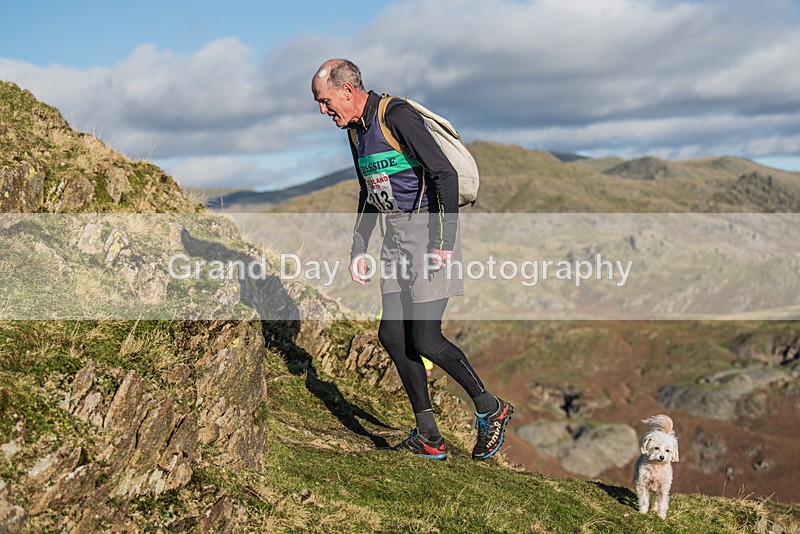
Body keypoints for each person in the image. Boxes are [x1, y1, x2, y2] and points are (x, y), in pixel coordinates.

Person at [311, 58, 512, 461]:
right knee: (391, 334)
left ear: (347, 91)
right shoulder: (354, 132)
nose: (323, 110)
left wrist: (445, 240)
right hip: (393, 238)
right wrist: (358, 249)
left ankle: (492, 407)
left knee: (425, 338)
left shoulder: (396, 116)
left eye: (325, 100)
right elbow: (368, 192)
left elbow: (444, 174)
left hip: (429, 235)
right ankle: (428, 435)